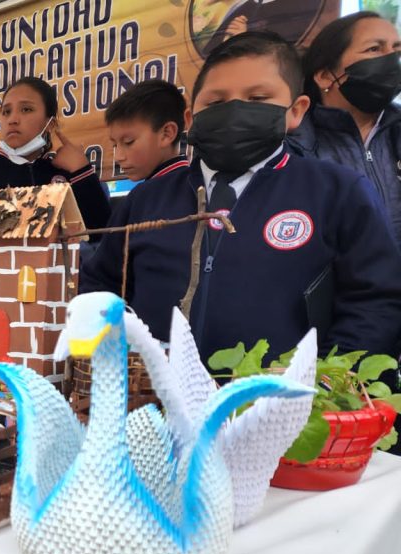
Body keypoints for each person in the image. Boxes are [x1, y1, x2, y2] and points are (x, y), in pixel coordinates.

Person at [78, 31, 401, 365]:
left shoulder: (336, 192)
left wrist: (325, 387)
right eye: (215, 103)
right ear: (191, 117)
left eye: (258, 98)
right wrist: (111, 361)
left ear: (296, 111)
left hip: (284, 409)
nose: (235, 110)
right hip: (154, 406)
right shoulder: (147, 199)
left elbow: (376, 302)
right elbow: (100, 281)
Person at [288, 11, 401, 245]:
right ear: (325, 76)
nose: (392, 60)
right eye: (374, 49)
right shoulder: (294, 148)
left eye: (397, 50)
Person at [0, 76, 111, 234]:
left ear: (50, 123)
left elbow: (101, 234)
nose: (13, 119)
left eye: (26, 109)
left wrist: (81, 171)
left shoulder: (67, 174)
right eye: (6, 112)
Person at [105, 79, 188, 182]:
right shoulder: (199, 184)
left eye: (129, 142)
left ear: (167, 134)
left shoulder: (144, 194)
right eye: (115, 145)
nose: (118, 157)